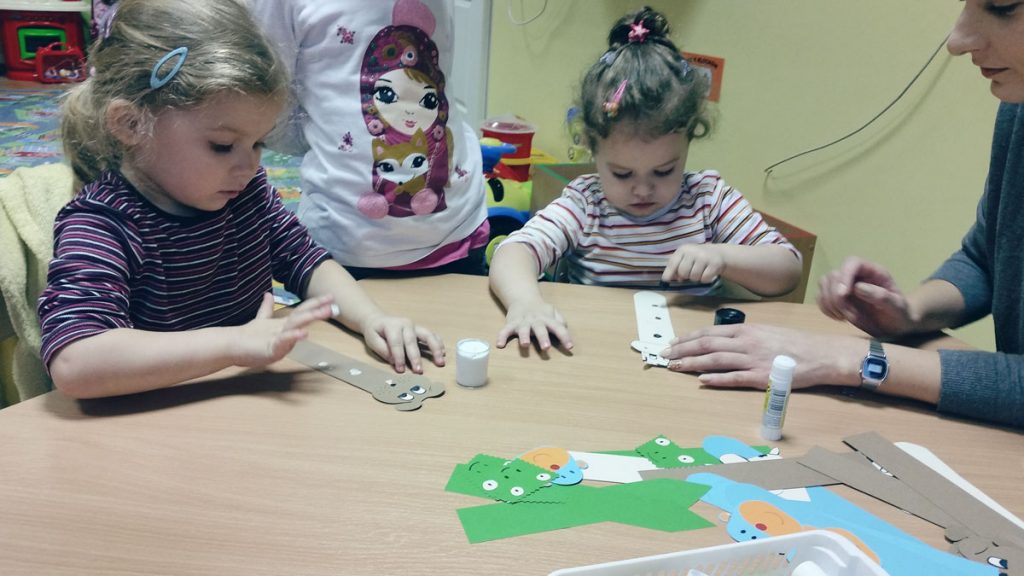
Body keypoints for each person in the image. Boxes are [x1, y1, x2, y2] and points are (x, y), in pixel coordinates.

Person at [38, 0, 445, 400]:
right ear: (131, 124)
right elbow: (75, 362)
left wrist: (372, 318)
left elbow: (306, 262)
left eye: (258, 143)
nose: (249, 165)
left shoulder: (246, 194)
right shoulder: (101, 224)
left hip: (240, 400)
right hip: (152, 422)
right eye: (223, 145)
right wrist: (234, 344)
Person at [661, 0, 1024, 430]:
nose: (957, 40)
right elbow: (985, 257)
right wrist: (912, 312)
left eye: (1002, 7)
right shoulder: (1016, 107)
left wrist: (848, 358)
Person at [487, 7, 802, 352]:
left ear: (688, 140)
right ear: (592, 147)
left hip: (689, 356)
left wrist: (724, 257)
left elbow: (787, 268)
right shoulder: (586, 203)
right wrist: (525, 302)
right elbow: (513, 251)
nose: (642, 189)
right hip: (597, 351)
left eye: (664, 171)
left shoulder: (708, 198)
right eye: (622, 174)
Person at [249, 0, 490, 280]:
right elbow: (266, 103)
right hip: (344, 243)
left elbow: (438, 83)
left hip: (458, 228)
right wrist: (327, 142)